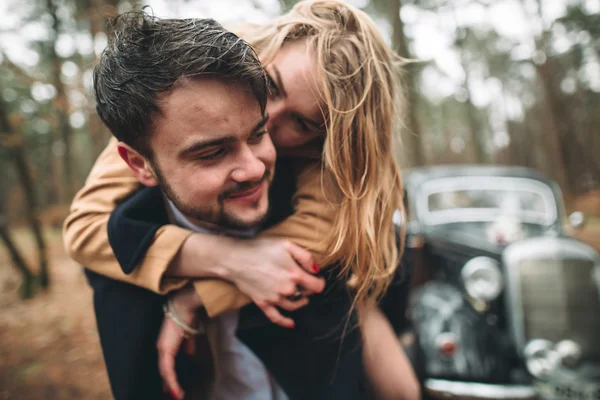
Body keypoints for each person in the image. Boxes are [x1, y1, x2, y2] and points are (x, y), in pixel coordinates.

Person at [64, 1, 418, 399]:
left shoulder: (325, 162)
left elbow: (327, 235)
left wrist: (201, 295)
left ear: (324, 138)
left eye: (301, 122)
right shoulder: (184, 90)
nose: (269, 113)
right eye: (271, 86)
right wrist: (231, 260)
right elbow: (85, 229)